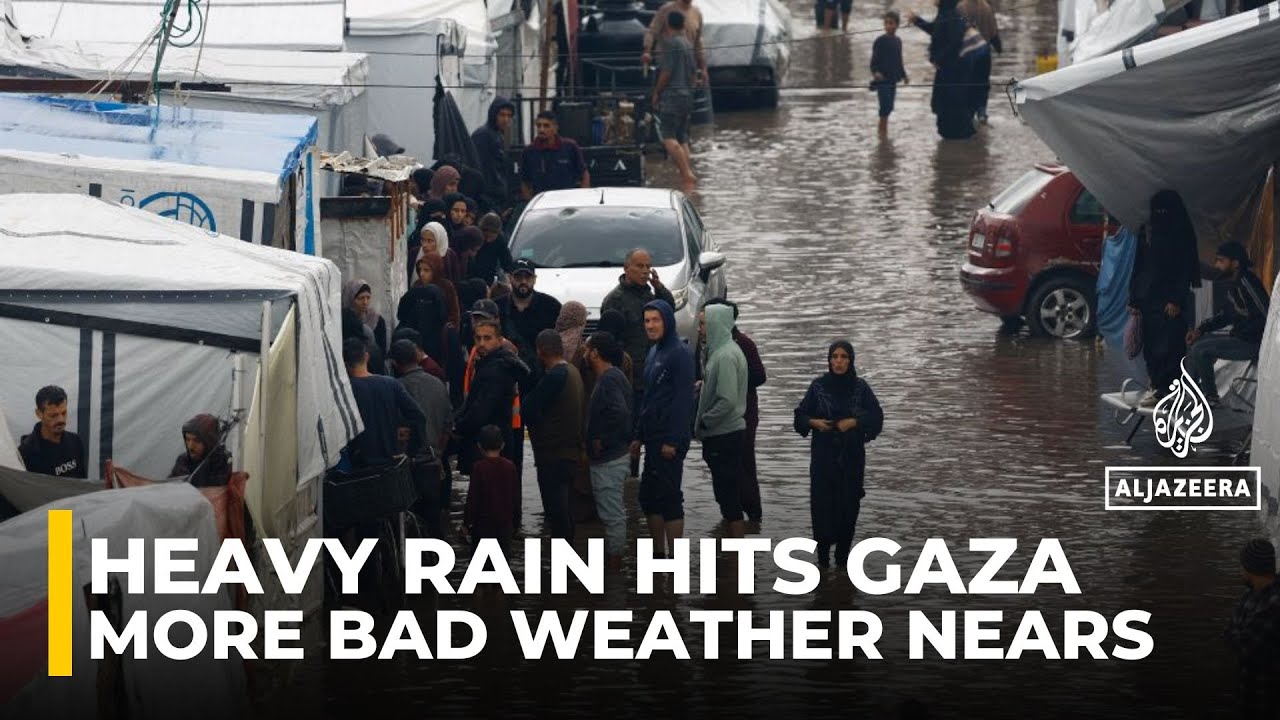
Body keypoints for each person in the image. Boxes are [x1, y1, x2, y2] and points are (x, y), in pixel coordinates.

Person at [793, 341, 884, 569]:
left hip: (851, 461)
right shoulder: (818, 387)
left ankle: (842, 570)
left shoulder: (860, 388)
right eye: (835, 357)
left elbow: (877, 418)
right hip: (823, 460)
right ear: (829, 360)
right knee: (822, 511)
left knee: (848, 511)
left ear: (851, 360)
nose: (839, 361)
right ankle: (822, 565)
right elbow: (799, 417)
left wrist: (854, 422)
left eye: (844, 357)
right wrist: (814, 422)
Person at [630, 300, 694, 558]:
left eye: (656, 320)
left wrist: (674, 440)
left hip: (670, 440)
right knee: (648, 497)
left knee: (669, 499)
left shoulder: (680, 354)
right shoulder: (654, 351)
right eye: (646, 321)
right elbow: (648, 398)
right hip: (652, 437)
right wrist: (638, 436)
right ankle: (659, 554)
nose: (651, 325)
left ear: (667, 321)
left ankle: (675, 558)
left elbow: (682, 401)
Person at [1129, 190, 1202, 407]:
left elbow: (1184, 269)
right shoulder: (1148, 230)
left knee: (1171, 345)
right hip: (1148, 297)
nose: (1160, 215)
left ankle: (1169, 389)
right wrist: (1133, 297)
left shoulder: (1181, 232)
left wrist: (1176, 300)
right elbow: (1139, 264)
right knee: (1151, 344)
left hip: (1170, 299)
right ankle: (1157, 385)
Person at [1186, 242, 1270, 404]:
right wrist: (1200, 330)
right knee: (1198, 343)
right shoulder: (1234, 283)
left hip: (1252, 343)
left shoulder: (1247, 281)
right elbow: (1226, 315)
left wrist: (1242, 332)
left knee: (1201, 349)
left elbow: (1264, 314)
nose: (1217, 265)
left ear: (1236, 263)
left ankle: (1210, 397)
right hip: (1241, 338)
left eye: (1221, 260)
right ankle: (1192, 393)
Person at [521, 330, 585, 542]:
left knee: (557, 513)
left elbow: (528, 408)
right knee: (566, 511)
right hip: (570, 452)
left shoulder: (556, 376)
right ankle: (568, 564)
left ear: (540, 351)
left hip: (554, 454)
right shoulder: (573, 372)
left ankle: (561, 565)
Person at [706, 298, 766, 522]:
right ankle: (731, 514)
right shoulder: (712, 345)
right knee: (724, 466)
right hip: (720, 415)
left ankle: (753, 513)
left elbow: (760, 375)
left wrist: (734, 379)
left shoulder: (743, 344)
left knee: (744, 462)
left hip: (744, 413)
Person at [455, 315, 530, 489]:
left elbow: (481, 411)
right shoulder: (490, 364)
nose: (481, 343)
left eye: (487, 338)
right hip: (492, 443)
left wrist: (458, 427)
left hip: (491, 445)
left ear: (498, 340)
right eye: (478, 338)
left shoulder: (497, 369)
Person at [695, 304, 749, 538]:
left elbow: (727, 400)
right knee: (725, 493)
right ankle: (728, 548)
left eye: (703, 324)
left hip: (724, 434)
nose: (699, 329)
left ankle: (735, 554)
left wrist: (706, 421)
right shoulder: (719, 351)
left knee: (728, 497)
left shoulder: (725, 355)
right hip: (724, 433)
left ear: (716, 323)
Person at [583, 332, 632, 572]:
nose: (584, 352)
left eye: (587, 348)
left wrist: (601, 440)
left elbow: (620, 413)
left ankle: (614, 567)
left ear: (595, 353)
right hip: (615, 456)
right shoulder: (615, 376)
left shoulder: (609, 379)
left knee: (612, 515)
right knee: (612, 512)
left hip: (609, 460)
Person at [343, 338, 427, 469]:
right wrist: (410, 452)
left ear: (344, 364)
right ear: (366, 356)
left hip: (358, 467)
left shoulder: (346, 390)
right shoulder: (390, 383)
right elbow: (418, 416)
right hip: (391, 463)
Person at [1223, 539, 1280, 715]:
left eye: (1242, 566)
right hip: (1249, 691)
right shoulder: (1252, 593)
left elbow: (1243, 647)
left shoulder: (1273, 605)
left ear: (1249, 568)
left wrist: (1234, 634)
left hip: (1265, 696)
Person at [908, 0, 975, 140]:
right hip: (946, 69)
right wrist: (917, 21)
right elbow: (936, 30)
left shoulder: (953, 14)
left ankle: (958, 145)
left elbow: (955, 41)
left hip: (952, 70)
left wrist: (939, 59)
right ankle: (951, 141)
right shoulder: (945, 13)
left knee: (952, 107)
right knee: (943, 106)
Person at [651, 10, 698, 191]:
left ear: (668, 24)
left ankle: (686, 174)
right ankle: (687, 176)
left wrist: (657, 92)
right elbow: (694, 73)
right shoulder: (687, 43)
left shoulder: (671, 44)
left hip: (672, 96)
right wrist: (690, 90)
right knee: (682, 137)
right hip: (687, 96)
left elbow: (666, 72)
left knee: (667, 136)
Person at [461, 425, 519, 556]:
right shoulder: (510, 467)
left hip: (482, 526)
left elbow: (473, 498)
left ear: (479, 446)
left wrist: (466, 523)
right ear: (503, 445)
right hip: (504, 525)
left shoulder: (478, 468)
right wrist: (515, 522)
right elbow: (515, 497)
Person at [497, 259, 564, 369]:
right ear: (509, 278)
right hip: (506, 370)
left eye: (528, 277)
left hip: (541, 372)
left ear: (534, 279)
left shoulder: (551, 306)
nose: (523, 281)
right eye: (518, 277)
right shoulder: (498, 306)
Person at [18, 385, 87, 478]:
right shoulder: (25, 453)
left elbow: (82, 483)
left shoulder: (75, 441)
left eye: (64, 413)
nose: (60, 420)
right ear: (39, 414)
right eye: (53, 415)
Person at [520, 111, 590, 198]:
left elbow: (584, 174)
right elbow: (525, 181)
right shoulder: (529, 151)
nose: (541, 129)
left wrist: (583, 197)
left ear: (555, 128)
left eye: (546, 126)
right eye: (539, 126)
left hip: (567, 201)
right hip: (542, 204)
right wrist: (530, 203)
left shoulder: (570, 147)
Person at [642, 0, 708, 89]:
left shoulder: (697, 12)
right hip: (667, 60)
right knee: (664, 91)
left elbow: (698, 42)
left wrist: (703, 68)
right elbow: (652, 32)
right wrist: (647, 51)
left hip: (687, 63)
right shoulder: (666, 10)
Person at [471, 97, 518, 215]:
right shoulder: (483, 135)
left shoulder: (497, 135)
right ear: (494, 115)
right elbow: (483, 170)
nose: (506, 119)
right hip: (487, 200)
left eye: (509, 115)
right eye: (502, 115)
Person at [398, 258, 449, 363]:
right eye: (420, 270)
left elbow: (448, 315)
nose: (421, 274)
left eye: (426, 270)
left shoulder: (445, 287)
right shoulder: (416, 288)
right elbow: (403, 312)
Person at [958, 0, 1000, 123]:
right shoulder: (987, 7)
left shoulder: (960, 7)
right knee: (983, 83)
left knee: (969, 83)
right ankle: (982, 112)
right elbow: (994, 33)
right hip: (984, 53)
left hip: (967, 53)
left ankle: (969, 113)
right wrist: (999, 48)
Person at [870, 12, 909, 136]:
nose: (888, 26)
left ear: (897, 25)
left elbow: (899, 60)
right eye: (886, 23)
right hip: (882, 80)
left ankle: (883, 132)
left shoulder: (898, 41)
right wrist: (876, 73)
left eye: (891, 23)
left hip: (893, 79)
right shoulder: (880, 41)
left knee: (890, 107)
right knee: (885, 108)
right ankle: (882, 134)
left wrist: (904, 75)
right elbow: (874, 61)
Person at [168, 414, 232, 487]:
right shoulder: (183, 460)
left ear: (209, 441)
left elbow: (214, 489)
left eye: (197, 440)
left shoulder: (222, 461)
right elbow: (170, 486)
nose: (190, 446)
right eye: (187, 439)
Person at [343, 280, 390, 373]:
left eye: (368, 298)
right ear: (350, 298)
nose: (365, 302)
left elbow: (382, 350)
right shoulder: (344, 320)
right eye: (360, 298)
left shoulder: (376, 320)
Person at [958, 22, 991, 126]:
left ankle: (970, 117)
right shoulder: (960, 18)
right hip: (984, 49)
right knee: (982, 85)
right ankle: (982, 114)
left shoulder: (951, 16)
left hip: (970, 53)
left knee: (970, 86)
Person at [469, 213, 515, 286]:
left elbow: (507, 261)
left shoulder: (500, 241)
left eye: (491, 238)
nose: (487, 240)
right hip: (471, 276)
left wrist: (513, 274)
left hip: (488, 279)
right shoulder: (474, 236)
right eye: (485, 237)